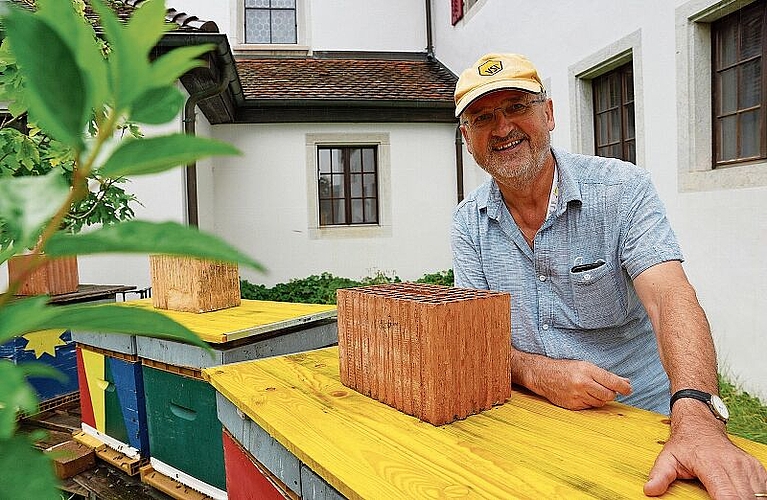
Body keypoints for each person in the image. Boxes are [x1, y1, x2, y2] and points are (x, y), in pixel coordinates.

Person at [451, 52, 767, 498]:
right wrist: (537, 373)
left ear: (550, 113)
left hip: (645, 421)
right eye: (483, 117)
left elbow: (669, 297)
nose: (502, 128)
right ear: (467, 138)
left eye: (517, 107)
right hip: (529, 422)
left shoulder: (622, 189)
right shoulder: (467, 223)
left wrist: (696, 415)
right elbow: (479, 340)